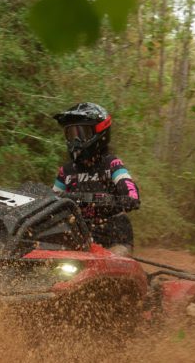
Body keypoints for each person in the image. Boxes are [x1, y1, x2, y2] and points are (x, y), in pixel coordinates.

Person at [52, 102, 140, 256]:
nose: (75, 141)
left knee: (107, 269)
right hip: (78, 234)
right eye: (71, 135)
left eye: (81, 134)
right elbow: (50, 201)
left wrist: (112, 200)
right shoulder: (66, 171)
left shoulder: (112, 164)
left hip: (114, 236)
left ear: (101, 133)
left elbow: (132, 195)